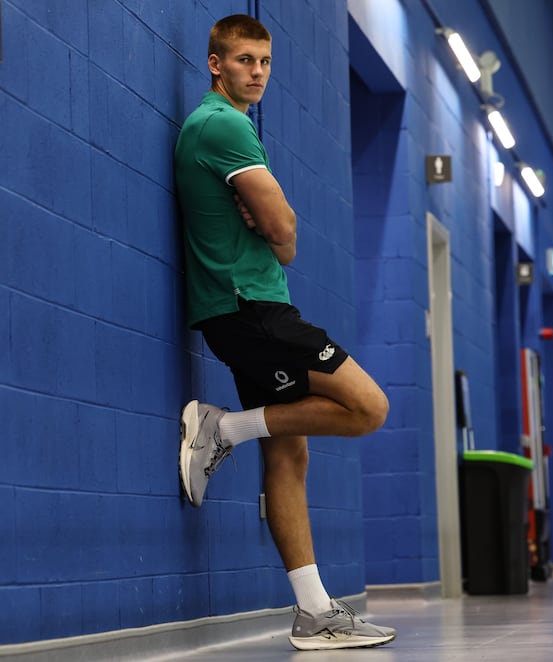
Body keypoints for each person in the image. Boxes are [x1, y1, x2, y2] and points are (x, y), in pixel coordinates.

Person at [173, 14, 395, 651]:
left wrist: (278, 225)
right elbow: (285, 232)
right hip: (251, 309)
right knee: (368, 407)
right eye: (244, 60)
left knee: (290, 452)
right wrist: (282, 227)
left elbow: (278, 224)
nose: (258, 72)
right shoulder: (222, 124)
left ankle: (314, 612)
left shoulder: (228, 126)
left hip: (248, 309)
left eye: (265, 61)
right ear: (216, 64)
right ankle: (222, 428)